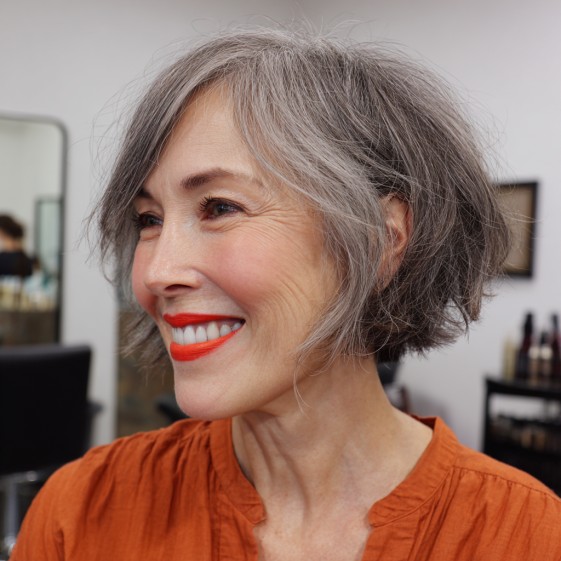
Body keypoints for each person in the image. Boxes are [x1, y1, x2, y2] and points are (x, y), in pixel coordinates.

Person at [11, 27, 561, 561]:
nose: (157, 272)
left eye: (220, 207)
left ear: (381, 240)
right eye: (149, 219)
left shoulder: (529, 537)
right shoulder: (79, 515)